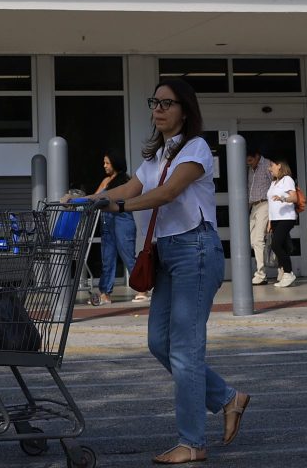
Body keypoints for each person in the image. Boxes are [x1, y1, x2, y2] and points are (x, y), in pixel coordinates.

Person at [84, 79, 249, 464]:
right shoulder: (156, 157)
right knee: (160, 343)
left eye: (167, 103)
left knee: (187, 350)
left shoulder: (195, 149)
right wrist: (84, 200)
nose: (158, 109)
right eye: (154, 102)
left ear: (185, 110)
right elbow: (127, 189)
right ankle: (228, 398)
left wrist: (120, 210)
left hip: (196, 250)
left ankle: (192, 443)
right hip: (167, 254)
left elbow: (167, 193)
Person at [91, 153, 137, 305]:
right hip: (106, 221)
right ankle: (105, 293)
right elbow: (95, 197)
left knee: (127, 254)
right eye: (104, 163)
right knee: (107, 258)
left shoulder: (126, 181)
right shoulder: (106, 181)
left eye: (107, 163)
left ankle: (142, 288)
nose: (104, 166)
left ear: (115, 163)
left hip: (122, 219)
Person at [266, 159, 299, 289]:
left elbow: (295, 198)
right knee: (283, 246)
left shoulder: (287, 180)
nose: (270, 169)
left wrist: (283, 198)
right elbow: (271, 204)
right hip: (275, 219)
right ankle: (287, 274)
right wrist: (269, 221)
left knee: (276, 245)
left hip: (286, 218)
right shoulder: (274, 182)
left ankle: (288, 273)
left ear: (279, 166)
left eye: (271, 166)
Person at [246, 148, 273, 284]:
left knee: (258, 240)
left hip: (265, 204)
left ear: (257, 156)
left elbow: (275, 185)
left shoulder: (267, 165)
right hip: (254, 206)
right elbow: (250, 188)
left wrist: (273, 211)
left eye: (250, 160)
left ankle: (261, 274)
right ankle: (277, 268)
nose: (249, 164)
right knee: (251, 239)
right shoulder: (251, 168)